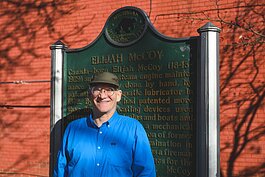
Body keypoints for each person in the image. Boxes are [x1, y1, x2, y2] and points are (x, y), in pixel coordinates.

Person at [53, 72, 156, 177]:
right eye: (97, 89)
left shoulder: (133, 129)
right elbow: (60, 169)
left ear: (118, 95)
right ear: (89, 94)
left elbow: (146, 173)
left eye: (109, 90)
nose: (102, 95)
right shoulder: (73, 128)